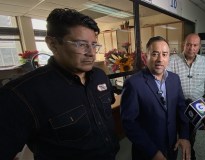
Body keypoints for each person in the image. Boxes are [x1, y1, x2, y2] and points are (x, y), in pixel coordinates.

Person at [0, 8, 120, 160]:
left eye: (94, 45)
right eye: (81, 44)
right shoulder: (20, 95)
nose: (91, 52)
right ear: (53, 44)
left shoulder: (100, 76)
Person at [120, 36, 191, 160]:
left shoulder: (174, 79)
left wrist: (184, 135)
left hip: (171, 146)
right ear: (146, 56)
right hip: (147, 152)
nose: (160, 59)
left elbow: (181, 109)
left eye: (164, 54)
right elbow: (129, 123)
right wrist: (152, 152)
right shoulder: (133, 83)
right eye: (155, 54)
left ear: (169, 57)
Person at [168, 33, 205, 160]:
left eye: (195, 45)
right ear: (184, 44)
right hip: (175, 106)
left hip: (195, 107)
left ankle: (188, 155)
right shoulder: (172, 60)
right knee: (172, 134)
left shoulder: (204, 62)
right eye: (188, 44)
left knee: (190, 135)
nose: (191, 48)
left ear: (199, 47)